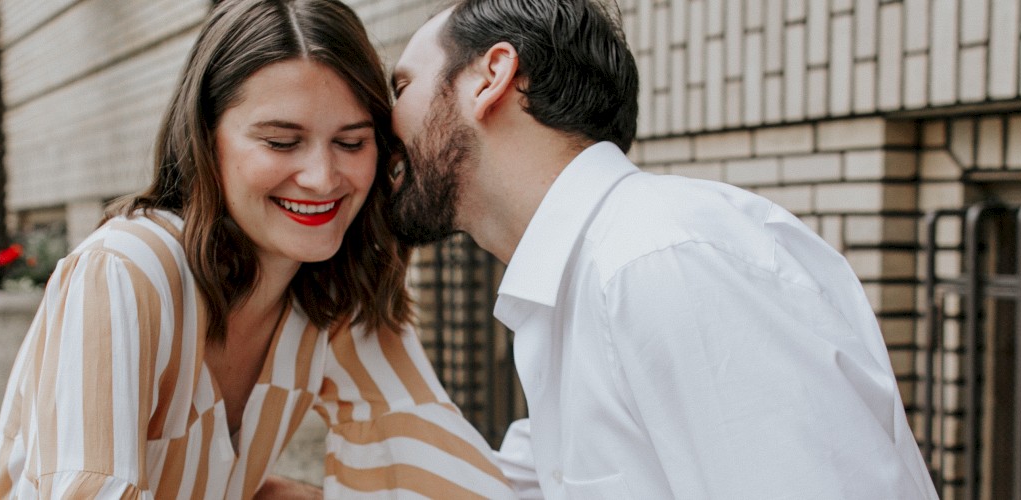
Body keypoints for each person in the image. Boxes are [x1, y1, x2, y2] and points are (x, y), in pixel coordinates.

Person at [385, 1, 938, 498]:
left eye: (401, 86)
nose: (382, 126)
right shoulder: (578, 285)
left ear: (491, 77)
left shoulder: (664, 260)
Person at [0, 0, 512, 498]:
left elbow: (422, 447)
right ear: (205, 139)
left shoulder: (335, 287)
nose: (322, 177)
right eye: (281, 142)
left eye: (351, 142)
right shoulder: (125, 271)